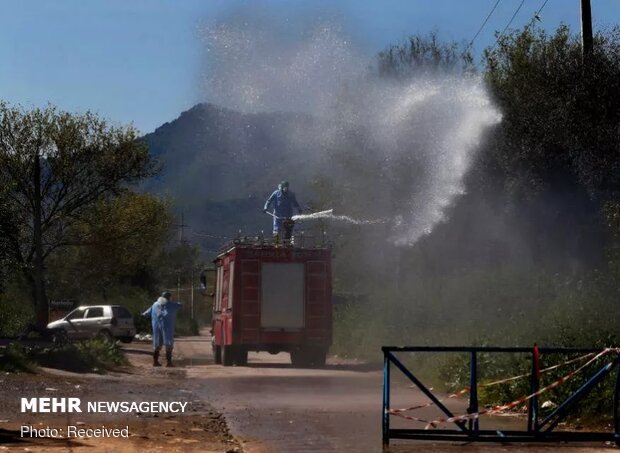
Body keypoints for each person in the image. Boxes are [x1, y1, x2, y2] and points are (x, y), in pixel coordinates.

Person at [142, 291, 182, 367]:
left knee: (157, 344)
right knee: (168, 343)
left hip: (156, 327)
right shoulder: (171, 304)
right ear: (169, 298)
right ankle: (169, 363)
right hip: (167, 327)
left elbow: (145, 313)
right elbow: (180, 305)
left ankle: (155, 362)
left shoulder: (154, 304)